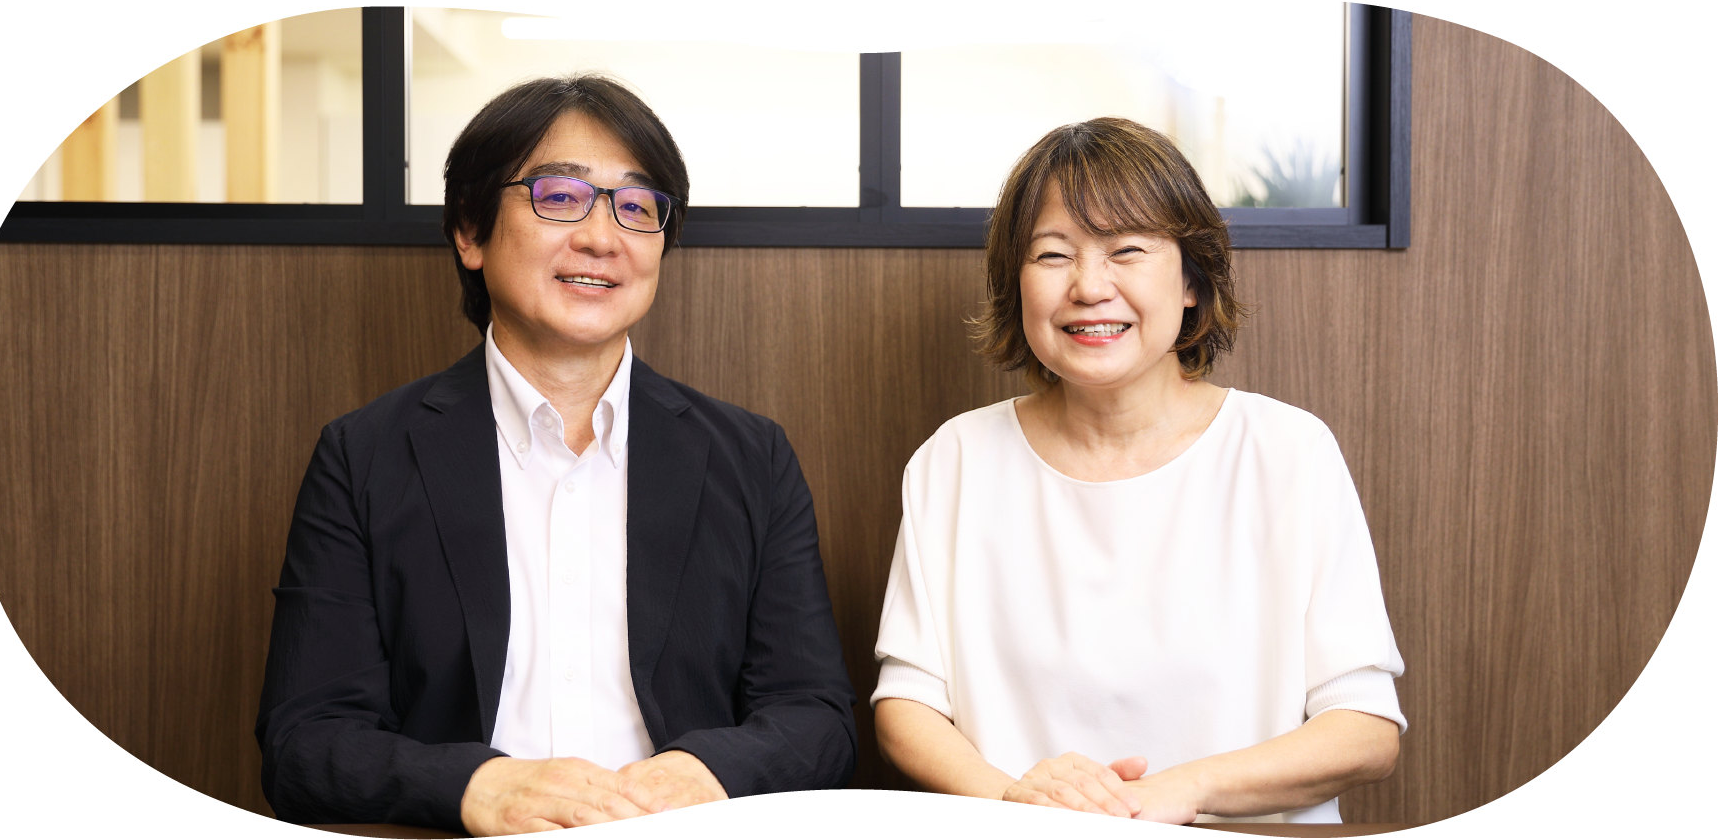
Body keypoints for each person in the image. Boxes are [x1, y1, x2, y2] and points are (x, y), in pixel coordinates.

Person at [256, 76, 856, 836]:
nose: (602, 237)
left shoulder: (749, 457)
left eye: (637, 207)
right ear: (469, 230)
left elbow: (816, 717)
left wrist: (705, 773)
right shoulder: (365, 455)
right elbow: (303, 742)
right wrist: (479, 787)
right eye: (560, 196)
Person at [870, 117, 1405, 824]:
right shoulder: (955, 460)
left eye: (1126, 250)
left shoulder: (1287, 452)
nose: (1089, 286)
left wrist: (1179, 793)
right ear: (1015, 284)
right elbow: (906, 705)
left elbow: (1364, 729)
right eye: (1052, 255)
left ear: (1191, 281)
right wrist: (1014, 799)